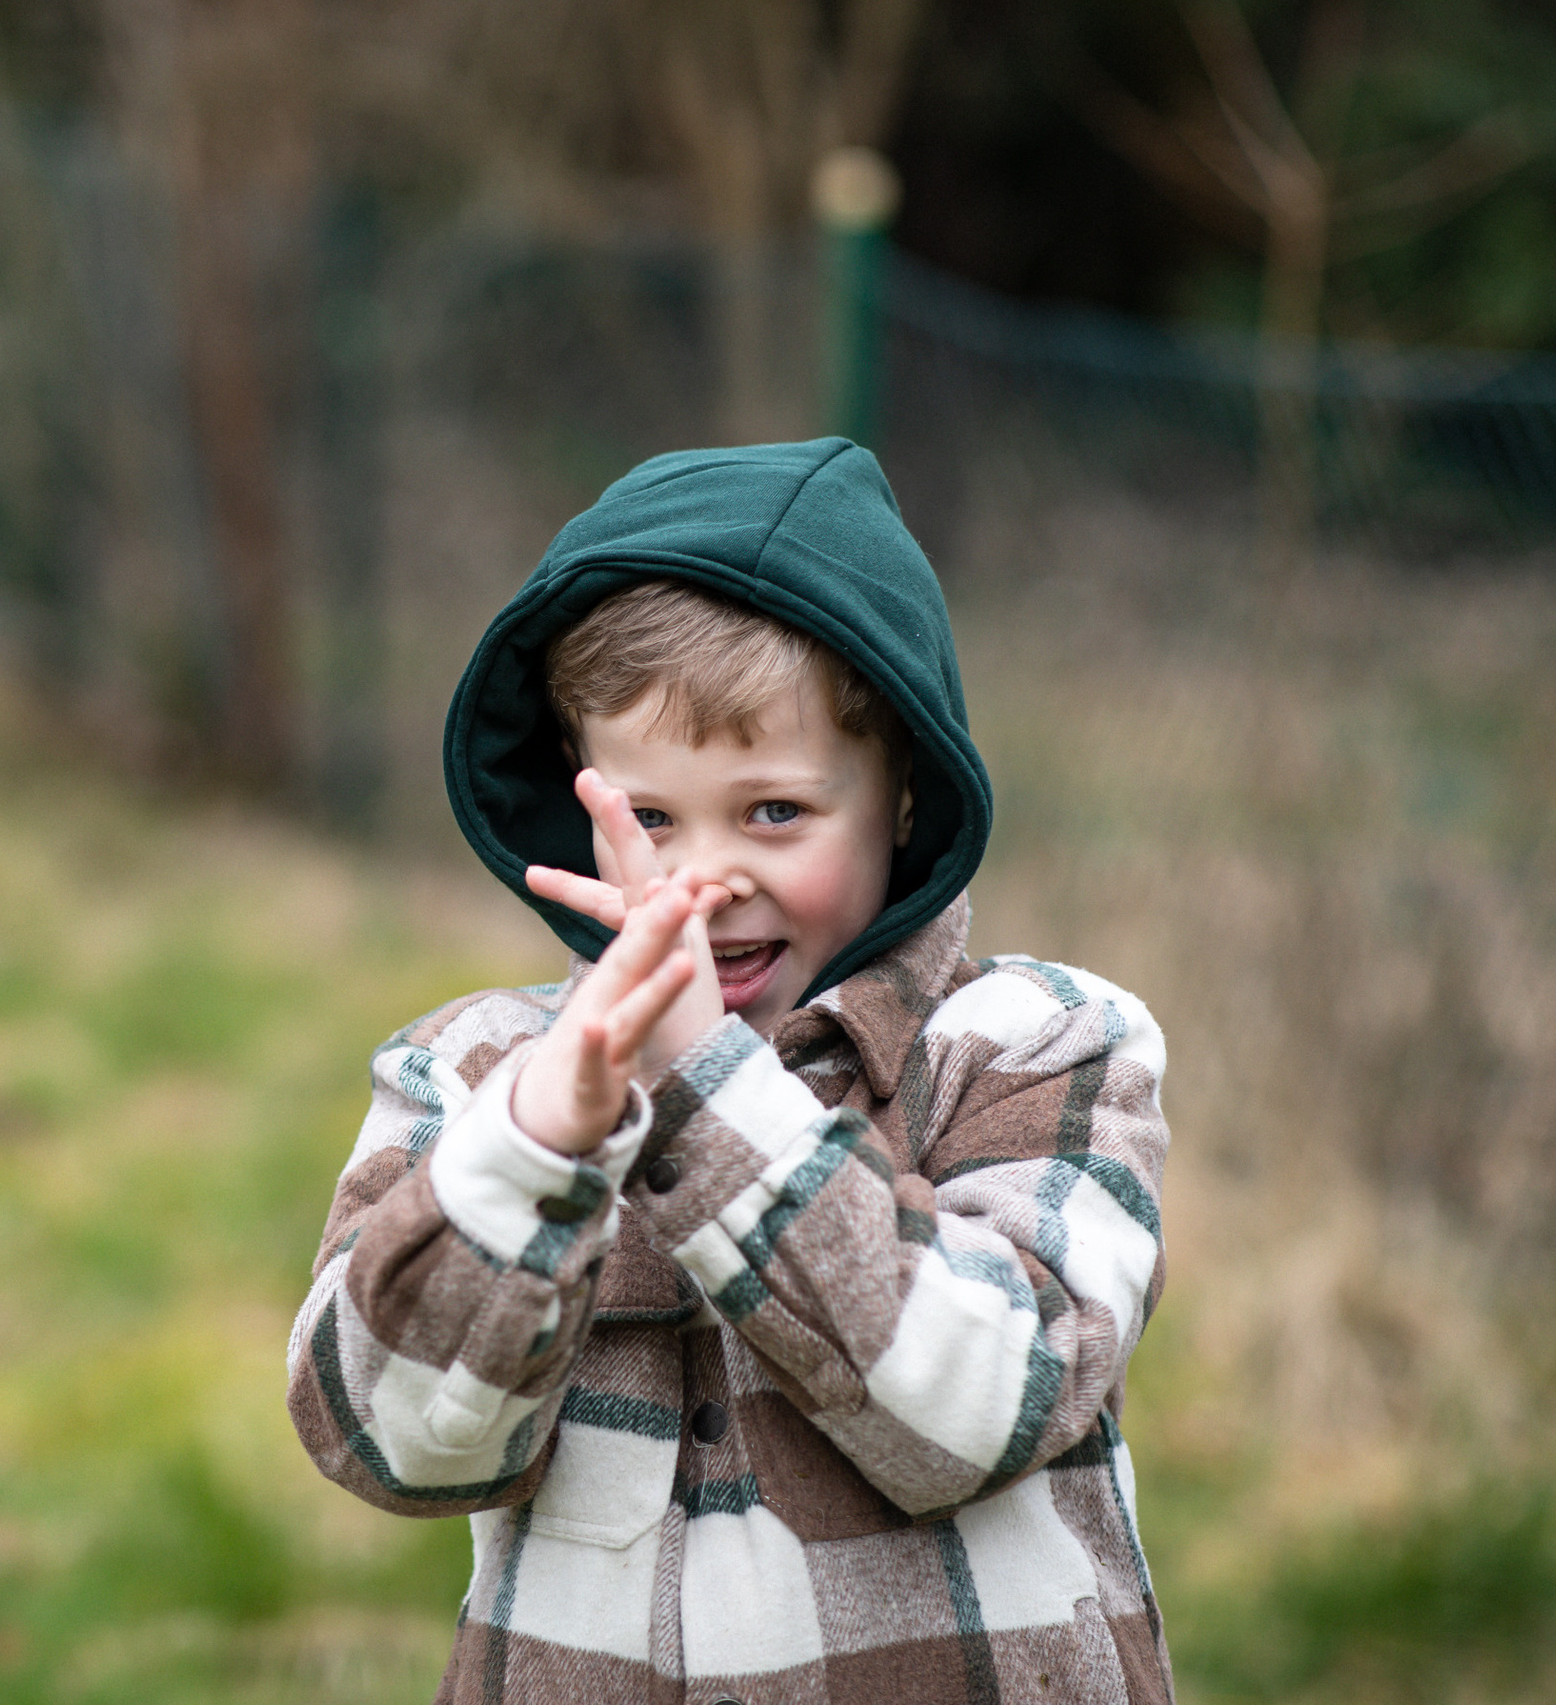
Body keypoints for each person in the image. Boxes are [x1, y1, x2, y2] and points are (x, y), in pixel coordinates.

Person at [287, 440, 1172, 1704]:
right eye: (648, 818)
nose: (699, 884)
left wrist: (703, 1083)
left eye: (773, 813)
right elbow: (388, 1443)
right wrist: (535, 1145)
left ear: (905, 799)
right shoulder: (477, 1072)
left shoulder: (1040, 1045)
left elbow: (987, 1404)